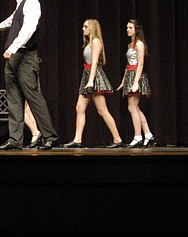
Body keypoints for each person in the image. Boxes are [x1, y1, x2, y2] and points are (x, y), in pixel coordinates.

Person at [0, 0, 59, 150]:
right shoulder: (20, 3)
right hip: (14, 57)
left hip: (24, 57)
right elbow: (14, 20)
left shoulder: (32, 2)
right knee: (13, 99)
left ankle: (50, 137)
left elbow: (29, 28)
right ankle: (15, 140)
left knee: (33, 96)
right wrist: (0, 27)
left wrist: (13, 47)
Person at [63, 19, 123, 148]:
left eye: (86, 26)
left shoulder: (96, 41)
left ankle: (117, 139)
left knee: (102, 110)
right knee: (79, 108)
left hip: (94, 76)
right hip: (87, 75)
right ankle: (77, 139)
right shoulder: (88, 43)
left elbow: (95, 62)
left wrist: (91, 80)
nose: (83, 29)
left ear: (93, 28)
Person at [117, 19, 156, 148]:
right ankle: (148, 135)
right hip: (129, 75)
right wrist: (123, 82)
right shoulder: (130, 45)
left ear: (136, 29)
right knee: (136, 108)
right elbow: (127, 65)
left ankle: (138, 136)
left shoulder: (139, 44)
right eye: (127, 27)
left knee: (132, 107)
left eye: (130, 27)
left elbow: (140, 64)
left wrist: (135, 82)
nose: (127, 30)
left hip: (136, 76)